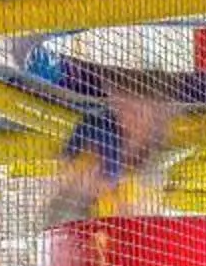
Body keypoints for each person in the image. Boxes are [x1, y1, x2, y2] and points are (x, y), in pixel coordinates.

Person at [43, 80, 180, 224]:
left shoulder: (153, 163)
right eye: (124, 109)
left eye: (138, 113)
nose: (128, 118)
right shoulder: (101, 130)